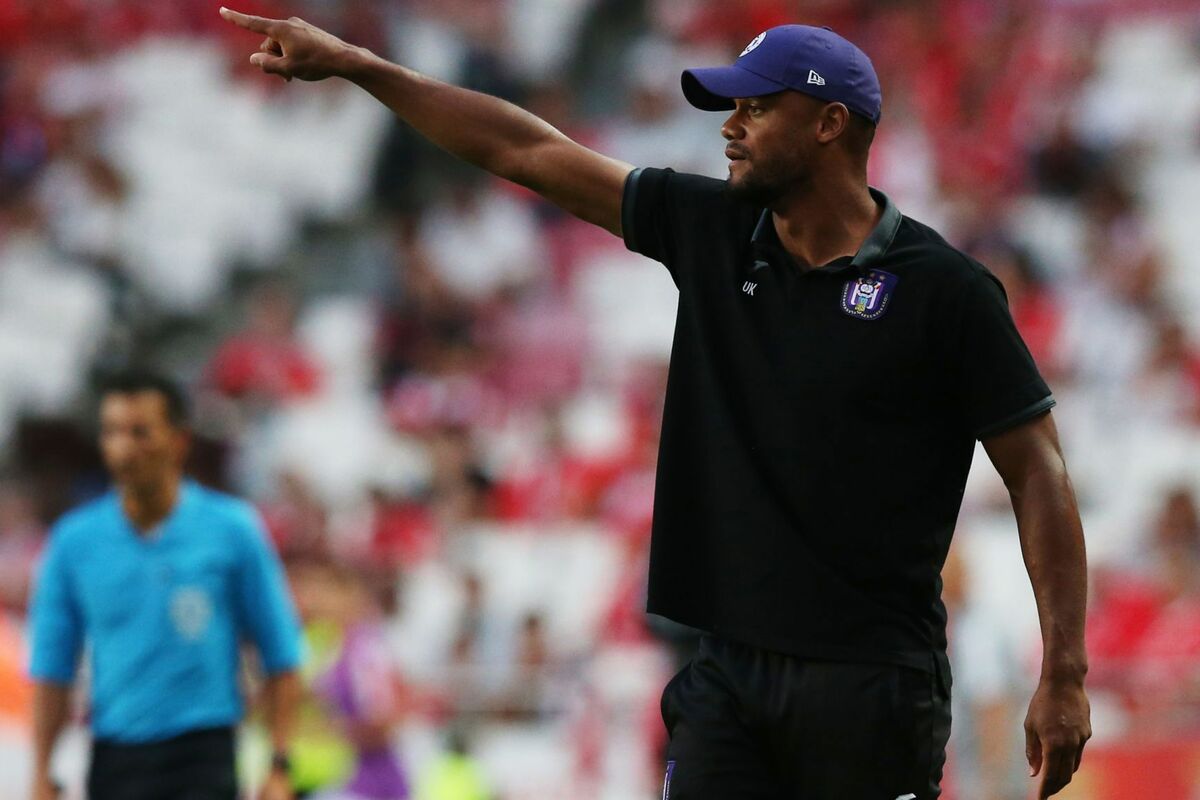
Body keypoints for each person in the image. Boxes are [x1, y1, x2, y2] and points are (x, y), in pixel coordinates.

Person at [218, 11, 1092, 799]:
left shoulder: (945, 292)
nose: (730, 125)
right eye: (730, 106)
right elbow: (525, 151)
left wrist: (1064, 672)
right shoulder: (709, 227)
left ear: (830, 124)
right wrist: (364, 67)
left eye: (756, 108)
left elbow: (1039, 474)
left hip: (870, 685)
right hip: (725, 674)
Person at [28, 371, 303, 800]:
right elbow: (53, 667)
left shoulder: (232, 530)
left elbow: (280, 653)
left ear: (178, 441)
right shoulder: (74, 543)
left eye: (140, 433)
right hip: (116, 755)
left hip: (202, 751)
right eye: (112, 432)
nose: (124, 448)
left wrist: (279, 765)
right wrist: (42, 773)